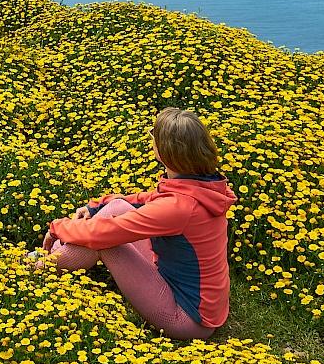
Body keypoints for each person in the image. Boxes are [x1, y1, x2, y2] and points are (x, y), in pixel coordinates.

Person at [38, 108, 236, 340]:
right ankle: (52, 260)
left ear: (165, 151)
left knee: (105, 241)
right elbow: (146, 199)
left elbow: (104, 234)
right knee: (116, 209)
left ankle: (34, 267)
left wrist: (57, 227)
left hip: (188, 319)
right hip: (198, 298)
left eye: (154, 135)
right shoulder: (201, 185)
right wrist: (96, 206)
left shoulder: (178, 208)